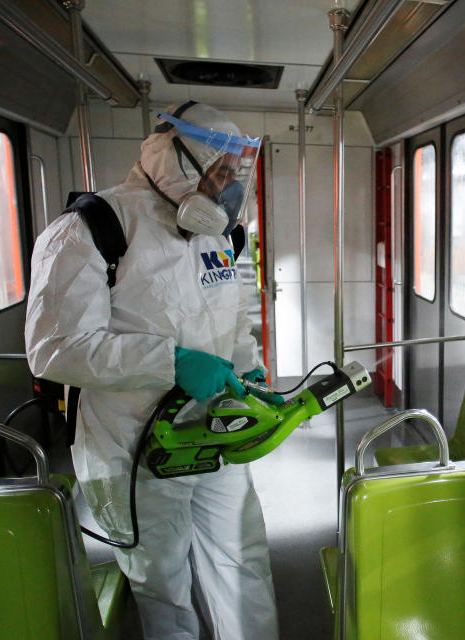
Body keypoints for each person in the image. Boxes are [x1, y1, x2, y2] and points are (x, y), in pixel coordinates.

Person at [25, 102, 278, 640]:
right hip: (134, 443)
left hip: (214, 430)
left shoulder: (220, 234)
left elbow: (230, 320)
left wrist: (248, 372)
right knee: (163, 579)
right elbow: (55, 347)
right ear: (174, 159)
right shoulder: (91, 229)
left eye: (233, 175)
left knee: (243, 559)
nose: (227, 188)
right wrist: (171, 362)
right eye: (218, 172)